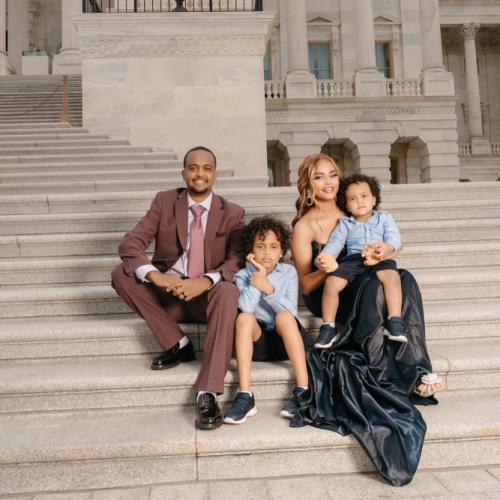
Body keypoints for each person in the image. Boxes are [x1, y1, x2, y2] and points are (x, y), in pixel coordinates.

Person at [290, 153, 443, 486]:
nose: (329, 182)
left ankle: (415, 368)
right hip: (331, 290)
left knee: (402, 278)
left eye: (333, 174)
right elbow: (305, 285)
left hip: (364, 278)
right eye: (319, 177)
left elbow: (390, 243)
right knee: (375, 285)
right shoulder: (304, 227)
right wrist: (328, 267)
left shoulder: (353, 206)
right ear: (308, 184)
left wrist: (384, 252)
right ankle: (385, 372)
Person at [111, 146, 244, 431]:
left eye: (207, 168)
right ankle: (178, 344)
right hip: (168, 295)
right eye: (193, 168)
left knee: (228, 290)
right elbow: (131, 243)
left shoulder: (232, 213)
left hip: (206, 299)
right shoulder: (165, 201)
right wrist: (156, 277)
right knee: (121, 274)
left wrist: (204, 281)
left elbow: (237, 260)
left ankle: (208, 391)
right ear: (183, 173)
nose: (200, 174)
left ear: (215, 174)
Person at [223, 217, 308, 425]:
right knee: (244, 318)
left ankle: (303, 389)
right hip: (258, 344)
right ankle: (245, 395)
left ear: (282, 251)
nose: (267, 252)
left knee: (284, 316)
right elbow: (246, 307)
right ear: (251, 251)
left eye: (273, 247)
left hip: (285, 340)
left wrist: (268, 288)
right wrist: (258, 277)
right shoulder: (242, 275)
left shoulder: (289, 272)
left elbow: (291, 312)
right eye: (260, 246)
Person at [314, 174, 407, 349]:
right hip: (353, 260)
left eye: (364, 196)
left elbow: (394, 238)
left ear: (374, 199)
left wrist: (386, 249)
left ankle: (394, 320)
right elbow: (335, 244)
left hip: (378, 255)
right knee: (331, 283)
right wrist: (326, 257)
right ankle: (328, 327)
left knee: (392, 277)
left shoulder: (384, 218)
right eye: (352, 198)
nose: (359, 201)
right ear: (346, 205)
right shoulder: (345, 224)